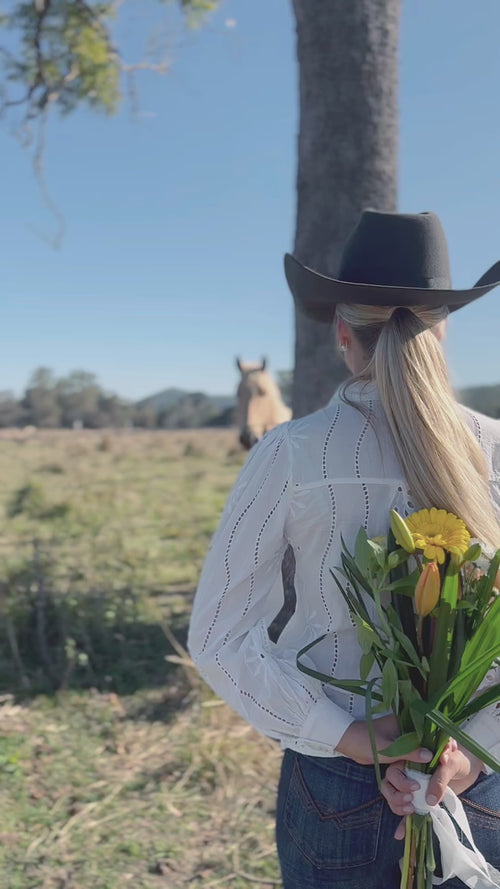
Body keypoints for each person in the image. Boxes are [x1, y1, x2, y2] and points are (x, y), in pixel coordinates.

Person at [188, 210, 500, 888]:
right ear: (442, 330)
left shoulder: (291, 453)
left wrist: (356, 737)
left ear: (340, 333)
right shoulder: (498, 449)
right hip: (480, 779)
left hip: (336, 780)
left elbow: (218, 639)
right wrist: (471, 754)